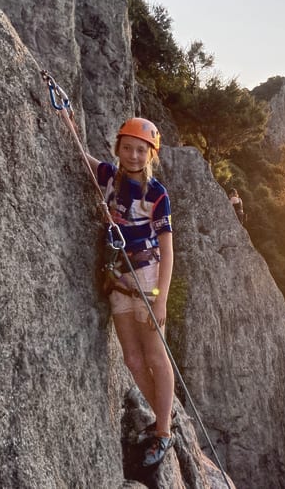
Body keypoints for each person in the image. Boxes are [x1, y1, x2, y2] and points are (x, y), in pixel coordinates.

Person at [86, 117, 174, 467]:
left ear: (151, 154)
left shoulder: (157, 194)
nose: (133, 155)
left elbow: (167, 250)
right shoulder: (110, 176)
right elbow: (83, 157)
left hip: (147, 276)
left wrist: (162, 297)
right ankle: (162, 419)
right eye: (128, 148)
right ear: (118, 148)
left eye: (141, 150)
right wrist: (66, 119)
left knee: (155, 357)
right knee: (133, 360)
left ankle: (164, 431)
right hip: (119, 280)